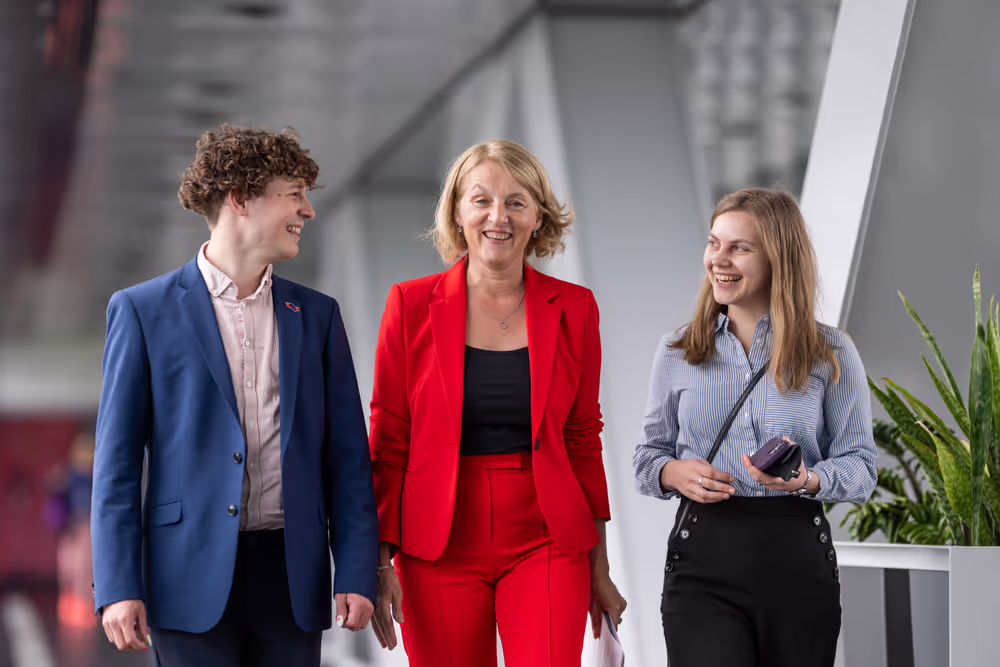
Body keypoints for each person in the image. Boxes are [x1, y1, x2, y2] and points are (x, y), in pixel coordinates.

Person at [91, 124, 378, 667]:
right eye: (293, 194)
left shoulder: (317, 316)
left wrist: (358, 569)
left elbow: (346, 457)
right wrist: (117, 583)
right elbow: (117, 464)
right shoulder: (142, 310)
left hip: (292, 575)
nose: (308, 211)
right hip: (186, 573)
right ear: (239, 198)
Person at [368, 139, 626, 666]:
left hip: (548, 538)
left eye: (516, 201)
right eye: (481, 199)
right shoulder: (409, 305)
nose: (498, 216)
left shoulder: (575, 309)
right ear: (458, 211)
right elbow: (389, 438)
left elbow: (582, 437)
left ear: (537, 217)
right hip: (436, 543)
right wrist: (377, 562)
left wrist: (599, 567)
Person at [633, 187, 878, 667]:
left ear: (778, 258)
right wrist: (673, 474)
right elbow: (647, 459)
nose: (718, 260)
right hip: (702, 562)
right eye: (713, 243)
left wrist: (807, 479)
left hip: (797, 563)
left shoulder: (830, 353)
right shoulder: (677, 351)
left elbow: (862, 469)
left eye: (739, 248)